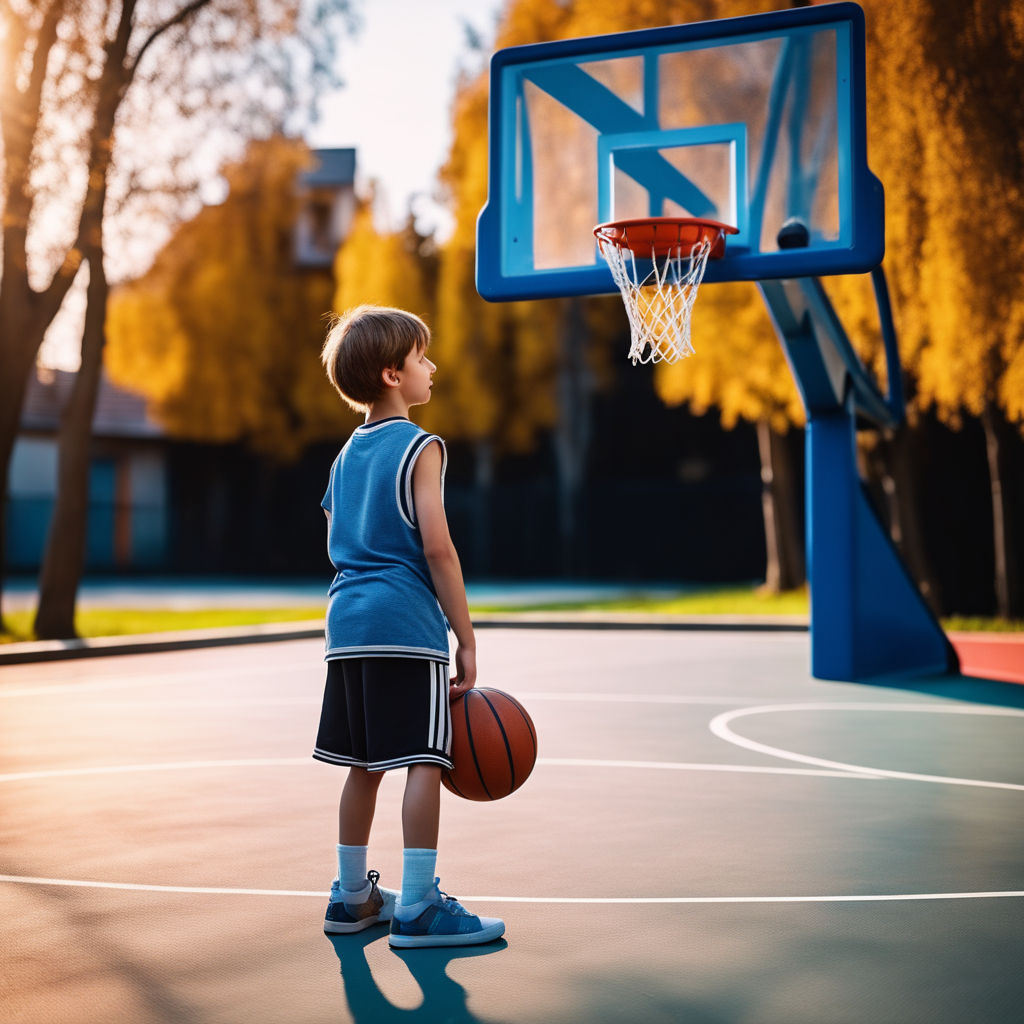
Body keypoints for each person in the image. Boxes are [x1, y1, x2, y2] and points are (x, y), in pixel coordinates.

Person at [314, 305, 505, 949]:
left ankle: (351, 896)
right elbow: (438, 548)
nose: (433, 368)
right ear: (395, 373)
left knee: (363, 764)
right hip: (405, 625)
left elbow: (341, 538)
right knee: (425, 758)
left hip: (345, 628)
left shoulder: (343, 459)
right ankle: (418, 906)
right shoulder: (422, 447)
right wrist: (467, 638)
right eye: (423, 358)